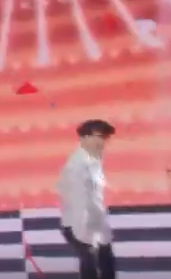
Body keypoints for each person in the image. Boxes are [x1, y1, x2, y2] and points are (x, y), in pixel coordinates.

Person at [58, 119, 116, 279]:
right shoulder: (78, 164)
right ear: (84, 138)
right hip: (81, 225)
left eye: (105, 138)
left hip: (94, 225)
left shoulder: (93, 160)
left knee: (105, 266)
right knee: (94, 268)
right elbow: (77, 201)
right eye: (99, 137)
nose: (102, 142)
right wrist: (86, 235)